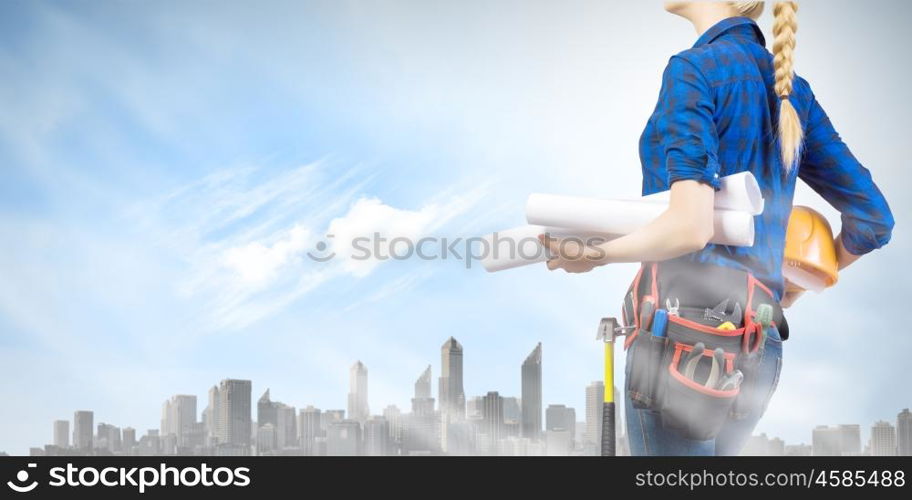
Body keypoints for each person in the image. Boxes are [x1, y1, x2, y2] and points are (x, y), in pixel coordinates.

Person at [540, 1, 894, 455]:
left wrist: (592, 255)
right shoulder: (792, 91)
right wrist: (788, 288)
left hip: (684, 334)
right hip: (759, 340)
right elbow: (874, 219)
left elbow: (689, 228)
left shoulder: (692, 70)